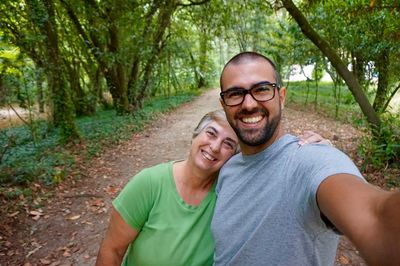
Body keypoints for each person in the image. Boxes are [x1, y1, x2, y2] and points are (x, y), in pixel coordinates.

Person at [212, 51, 400, 266]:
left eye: (262, 89)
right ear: (223, 103)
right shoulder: (228, 169)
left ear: (281, 97)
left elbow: (376, 218)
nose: (248, 104)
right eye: (235, 93)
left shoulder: (313, 160)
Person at [95, 110, 326, 266]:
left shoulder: (232, 192)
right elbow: (111, 250)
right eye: (211, 133)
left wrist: (314, 153)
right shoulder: (150, 183)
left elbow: (278, 175)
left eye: (228, 144)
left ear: (234, 157)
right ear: (195, 135)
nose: (214, 147)